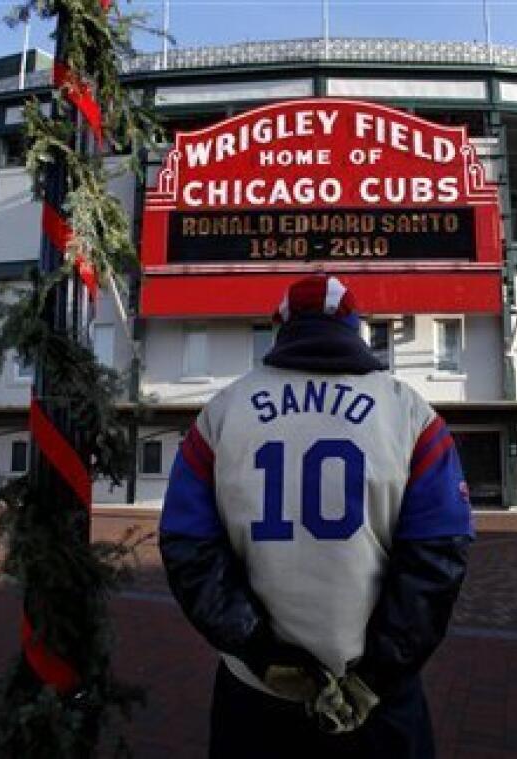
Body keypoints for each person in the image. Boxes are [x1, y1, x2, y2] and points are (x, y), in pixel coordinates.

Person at [159, 274, 474, 759]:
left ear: (279, 327)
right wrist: (377, 673)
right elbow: (438, 556)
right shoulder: (411, 414)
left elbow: (188, 547)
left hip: (256, 696)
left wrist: (261, 654)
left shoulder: (220, 414)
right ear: (355, 326)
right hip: (376, 700)